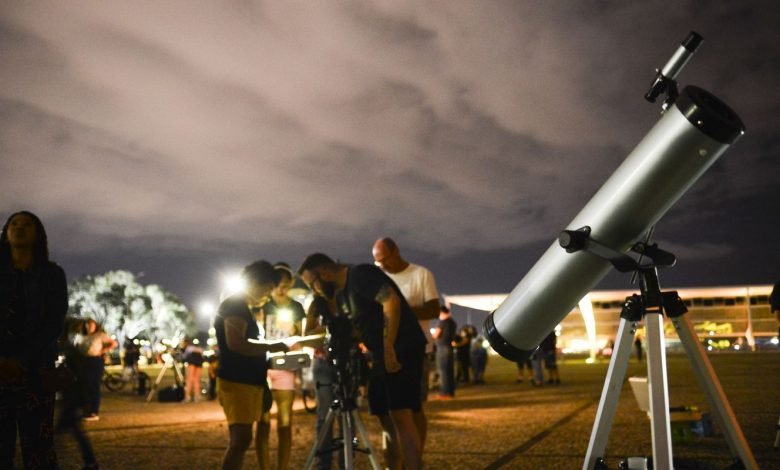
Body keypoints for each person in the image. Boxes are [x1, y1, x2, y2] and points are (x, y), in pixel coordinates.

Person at [299, 253, 427, 470]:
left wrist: (388, 347)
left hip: (400, 348)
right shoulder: (343, 295)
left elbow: (390, 302)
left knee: (401, 415)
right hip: (379, 354)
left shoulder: (360, 275)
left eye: (312, 284)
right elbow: (358, 329)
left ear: (325, 273)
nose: (315, 290)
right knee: (386, 417)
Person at [0, 211, 68, 468]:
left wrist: (22, 360)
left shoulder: (52, 275)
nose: (19, 228)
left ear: (38, 234)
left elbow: (53, 322)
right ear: (6, 233)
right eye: (14, 224)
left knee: (39, 449)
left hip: (36, 372)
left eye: (27, 224)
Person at [214, 260, 292, 470]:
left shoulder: (241, 307)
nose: (268, 295)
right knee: (240, 440)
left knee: (242, 440)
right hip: (237, 381)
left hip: (245, 381)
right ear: (255, 283)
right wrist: (272, 346)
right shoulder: (235, 306)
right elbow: (236, 343)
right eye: (267, 289)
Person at [257, 263, 305, 470]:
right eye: (277, 285)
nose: (281, 289)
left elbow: (301, 338)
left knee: (285, 423)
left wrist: (294, 332)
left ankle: (282, 466)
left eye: (285, 285)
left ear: (291, 284)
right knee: (263, 422)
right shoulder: (262, 305)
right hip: (263, 365)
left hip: (285, 364)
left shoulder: (296, 308)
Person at [304, 294, 344, 470]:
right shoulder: (316, 305)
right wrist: (329, 331)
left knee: (347, 415)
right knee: (324, 414)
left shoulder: (347, 299)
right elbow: (307, 335)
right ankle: (323, 463)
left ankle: (346, 462)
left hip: (345, 361)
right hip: (322, 362)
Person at [75, 318, 117, 421]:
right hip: (85, 361)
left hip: (95, 361)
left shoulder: (100, 335)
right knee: (85, 386)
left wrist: (102, 350)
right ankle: (86, 410)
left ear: (95, 326)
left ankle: (94, 412)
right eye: (87, 325)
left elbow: (113, 343)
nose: (89, 327)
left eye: (91, 325)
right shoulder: (84, 337)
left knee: (94, 385)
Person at [431, 306, 457, 398]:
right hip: (449, 348)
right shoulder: (452, 322)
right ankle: (450, 392)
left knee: (443, 371)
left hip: (442, 348)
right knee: (449, 371)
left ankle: (444, 393)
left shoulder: (442, 322)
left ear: (441, 312)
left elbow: (436, 335)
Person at [183, 337, 204, 402]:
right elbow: (203, 356)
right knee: (196, 380)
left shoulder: (189, 348)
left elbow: (184, 356)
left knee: (189, 380)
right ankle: (196, 397)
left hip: (191, 364)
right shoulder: (200, 349)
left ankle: (187, 396)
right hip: (199, 364)